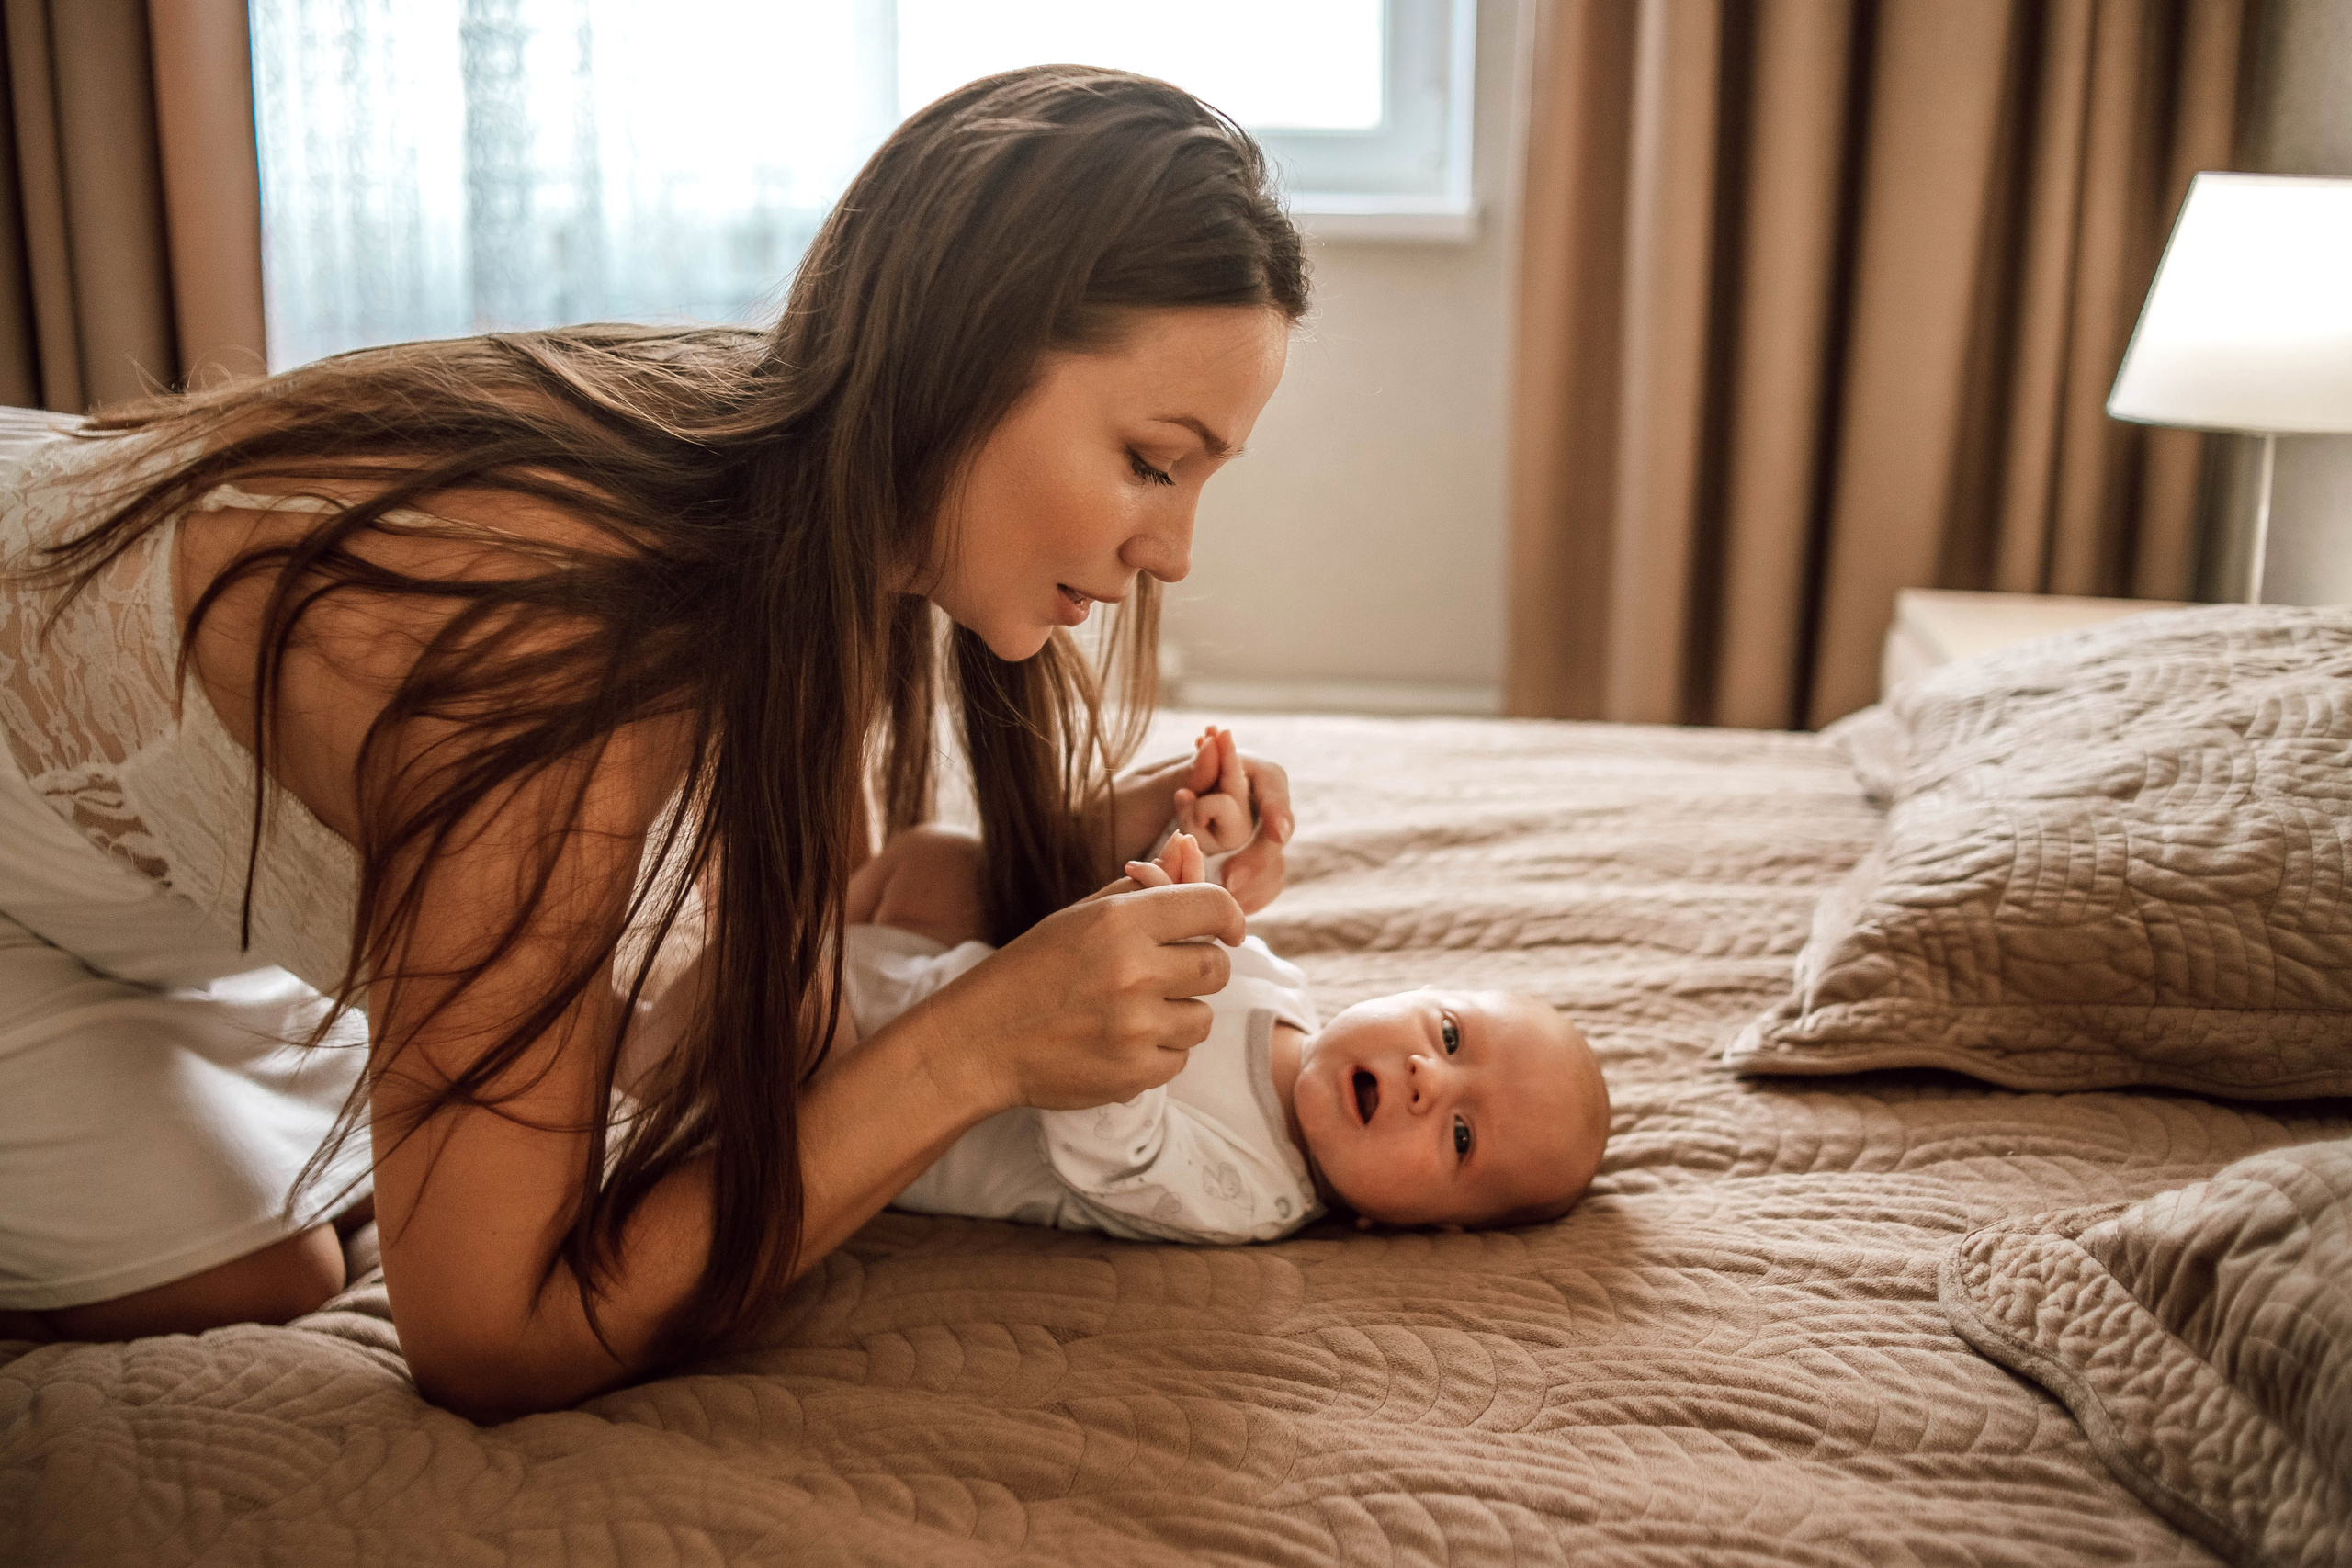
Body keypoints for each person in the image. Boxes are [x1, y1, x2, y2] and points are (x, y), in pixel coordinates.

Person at [0, 67, 1306, 1423]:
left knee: (289, 1228)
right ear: (965, 360)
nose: (1176, 553)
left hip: (143, 907)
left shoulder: (808, 520)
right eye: (1155, 461)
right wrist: (971, 1049)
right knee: (258, 1271)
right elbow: (487, 1341)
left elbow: (814, 930)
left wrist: (1077, 853)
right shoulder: (560, 640)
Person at [835, 738, 1611, 1243]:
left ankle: (760, 986)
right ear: (1417, 990)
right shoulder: (1281, 987)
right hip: (931, 974)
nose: (1426, 1078)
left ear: (1420, 1223)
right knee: (937, 860)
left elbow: (1109, 1155)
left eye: (1461, 1135)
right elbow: (1147, 913)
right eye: (1448, 1035)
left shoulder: (1252, 1193)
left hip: (873, 1100)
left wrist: (1140, 976)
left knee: (798, 1008)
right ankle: (822, 924)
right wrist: (1193, 846)